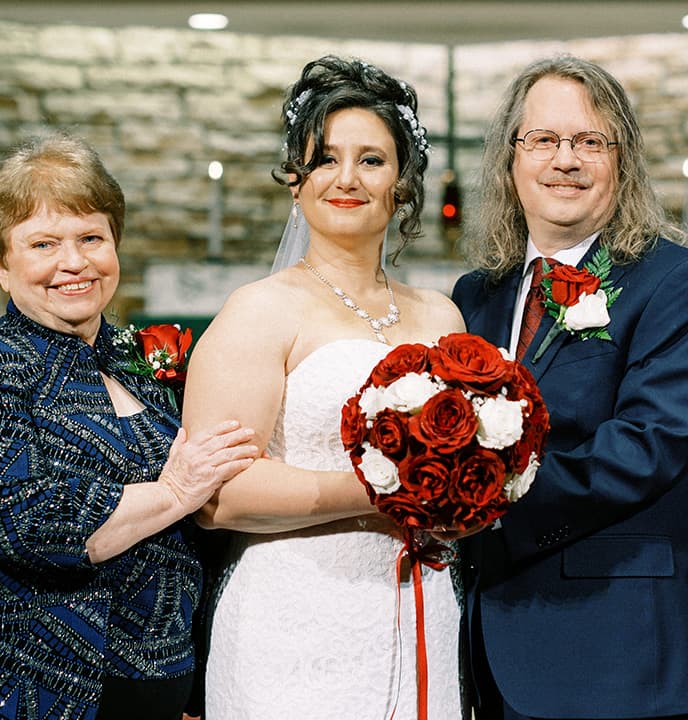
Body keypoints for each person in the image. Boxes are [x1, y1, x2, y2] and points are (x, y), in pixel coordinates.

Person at [181, 56, 469, 719]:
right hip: (293, 625)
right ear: (294, 181)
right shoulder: (258, 311)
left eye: (371, 160)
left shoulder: (442, 315)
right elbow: (216, 495)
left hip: (423, 610)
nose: (346, 178)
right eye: (324, 159)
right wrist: (389, 492)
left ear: (402, 184)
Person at [0, 131, 259, 720]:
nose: (73, 262)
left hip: (172, 681)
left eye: (91, 238)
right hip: (43, 690)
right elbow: (30, 525)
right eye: (43, 243)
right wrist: (176, 490)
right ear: (1, 266)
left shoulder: (143, 361)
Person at [452, 54, 688, 720]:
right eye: (545, 141)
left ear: (623, 161)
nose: (567, 160)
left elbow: (649, 443)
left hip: (616, 649)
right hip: (489, 653)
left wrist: (479, 501)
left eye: (590, 141)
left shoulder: (672, 282)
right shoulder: (477, 295)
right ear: (510, 161)